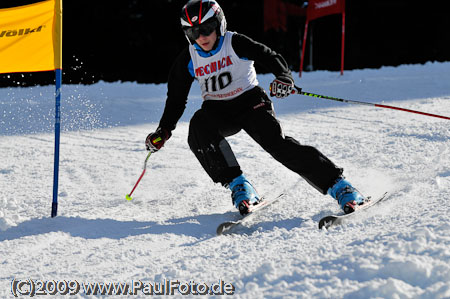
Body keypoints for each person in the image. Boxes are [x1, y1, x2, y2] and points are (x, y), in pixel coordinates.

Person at [145, 0, 365, 215]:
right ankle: (239, 185)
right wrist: (164, 130)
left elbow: (269, 56)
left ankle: (340, 186)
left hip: (250, 103)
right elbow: (176, 99)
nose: (201, 37)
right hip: (218, 110)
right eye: (194, 32)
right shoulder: (189, 58)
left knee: (277, 144)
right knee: (198, 129)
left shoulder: (234, 42)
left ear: (219, 24)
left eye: (207, 28)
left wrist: (284, 77)